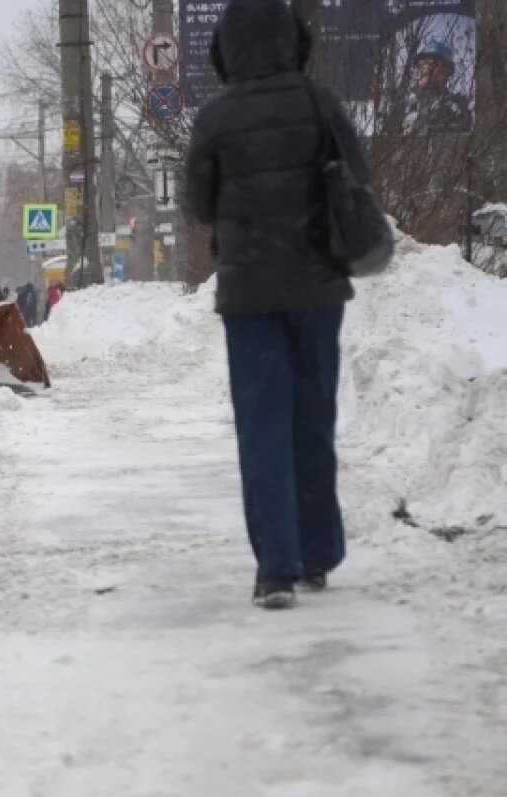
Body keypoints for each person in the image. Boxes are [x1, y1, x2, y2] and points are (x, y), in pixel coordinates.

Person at [187, 0, 363, 609]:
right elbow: (357, 180)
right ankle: (319, 554)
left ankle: (277, 569)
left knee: (262, 424)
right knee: (312, 418)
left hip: (249, 294)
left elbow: (201, 205)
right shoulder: (321, 103)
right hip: (318, 287)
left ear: (226, 49)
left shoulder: (215, 118)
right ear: (294, 40)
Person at [403, 39, 472, 136]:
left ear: (447, 72)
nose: (429, 68)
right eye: (425, 63)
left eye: (436, 64)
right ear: (418, 67)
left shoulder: (457, 104)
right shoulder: (402, 101)